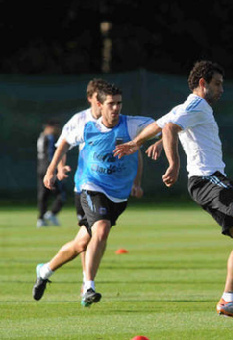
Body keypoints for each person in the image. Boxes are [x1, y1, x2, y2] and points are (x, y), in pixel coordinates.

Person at [114, 60, 233, 322]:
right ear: (202, 84)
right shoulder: (197, 104)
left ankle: (229, 300)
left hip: (207, 180)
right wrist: (173, 163)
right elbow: (171, 128)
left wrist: (137, 142)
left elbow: (162, 125)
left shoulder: (187, 107)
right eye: (217, 84)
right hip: (207, 178)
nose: (221, 89)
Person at [33, 82, 159, 306]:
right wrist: (53, 170)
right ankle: (88, 287)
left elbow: (162, 126)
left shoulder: (131, 125)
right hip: (90, 186)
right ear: (99, 105)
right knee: (101, 230)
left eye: (119, 103)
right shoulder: (86, 126)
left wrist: (158, 143)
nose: (116, 108)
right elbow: (63, 143)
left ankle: (45, 270)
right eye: (111, 104)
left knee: (82, 242)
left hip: (118, 194)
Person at [37, 119, 64, 227]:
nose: (57, 130)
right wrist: (55, 168)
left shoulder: (41, 137)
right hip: (48, 169)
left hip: (40, 168)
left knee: (43, 195)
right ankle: (51, 213)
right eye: (56, 127)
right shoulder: (49, 137)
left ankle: (41, 218)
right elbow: (51, 154)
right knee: (61, 194)